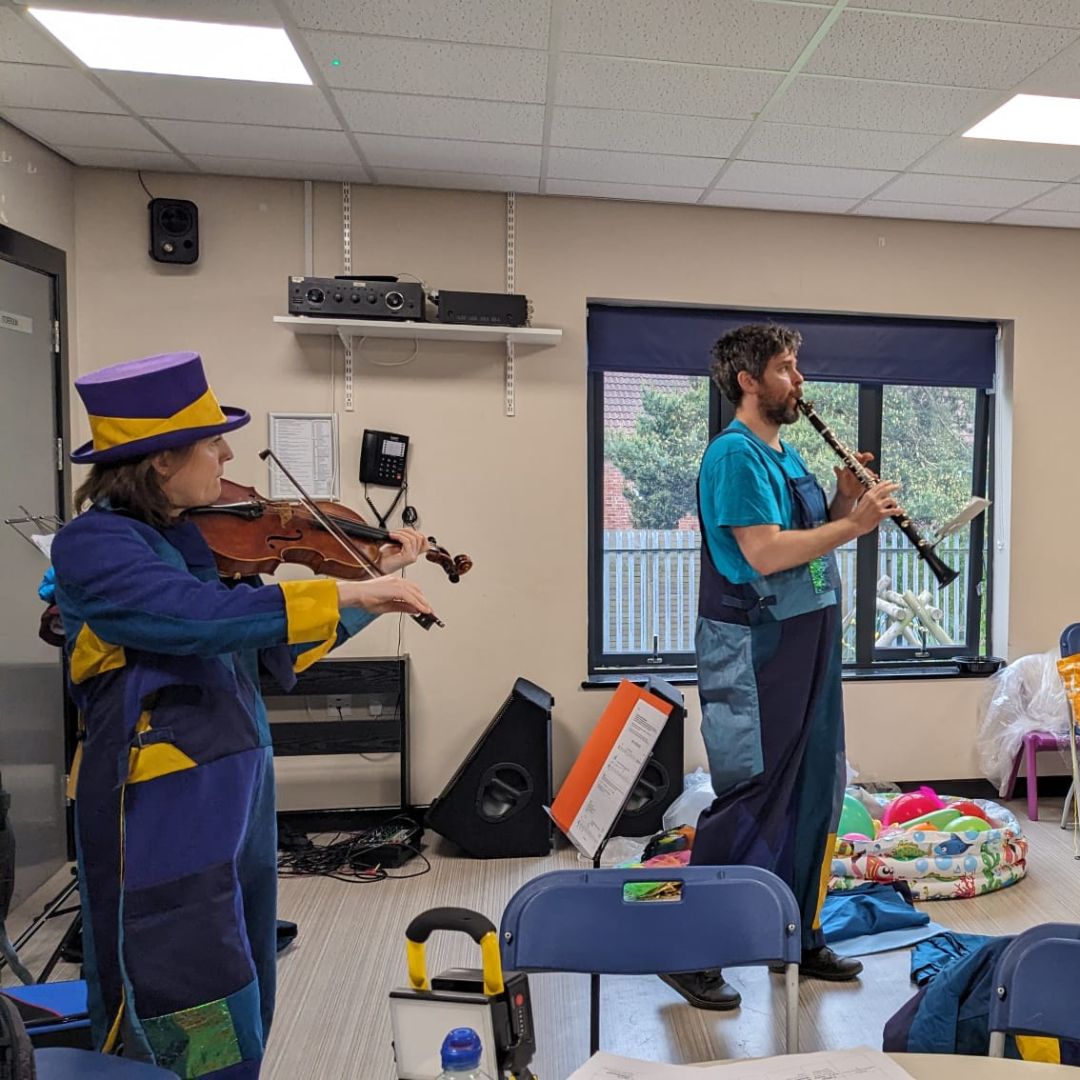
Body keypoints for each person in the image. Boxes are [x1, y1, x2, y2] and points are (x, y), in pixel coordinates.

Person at [50, 351, 434, 1077]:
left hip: (239, 787)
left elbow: (263, 651)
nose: (227, 455)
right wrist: (347, 593)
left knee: (245, 962)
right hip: (162, 798)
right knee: (182, 974)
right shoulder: (95, 545)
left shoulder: (188, 537)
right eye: (211, 442)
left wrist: (373, 581)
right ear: (163, 460)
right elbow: (193, 620)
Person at [660, 324, 901, 1011]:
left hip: (809, 640)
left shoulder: (783, 451)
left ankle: (796, 932)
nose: (800, 381)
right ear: (749, 380)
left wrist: (843, 498)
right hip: (755, 645)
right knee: (754, 796)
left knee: (816, 791)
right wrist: (855, 527)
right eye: (788, 369)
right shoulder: (734, 456)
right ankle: (689, 948)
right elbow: (765, 554)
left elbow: (806, 536)